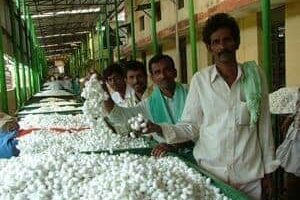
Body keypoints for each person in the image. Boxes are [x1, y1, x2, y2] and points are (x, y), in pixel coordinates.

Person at [144, 13, 278, 199]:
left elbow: (263, 127)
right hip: (212, 178)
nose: (222, 46)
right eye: (216, 42)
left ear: (237, 43)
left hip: (250, 178)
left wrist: (268, 172)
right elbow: (191, 126)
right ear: (209, 47)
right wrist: (160, 129)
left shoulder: (254, 78)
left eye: (227, 40)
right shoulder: (201, 81)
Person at [103, 54, 189, 140]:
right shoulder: (149, 103)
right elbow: (120, 117)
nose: (163, 76)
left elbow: (195, 126)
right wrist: (102, 89)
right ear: (152, 78)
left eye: (167, 70)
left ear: (175, 72)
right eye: (157, 72)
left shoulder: (190, 91)